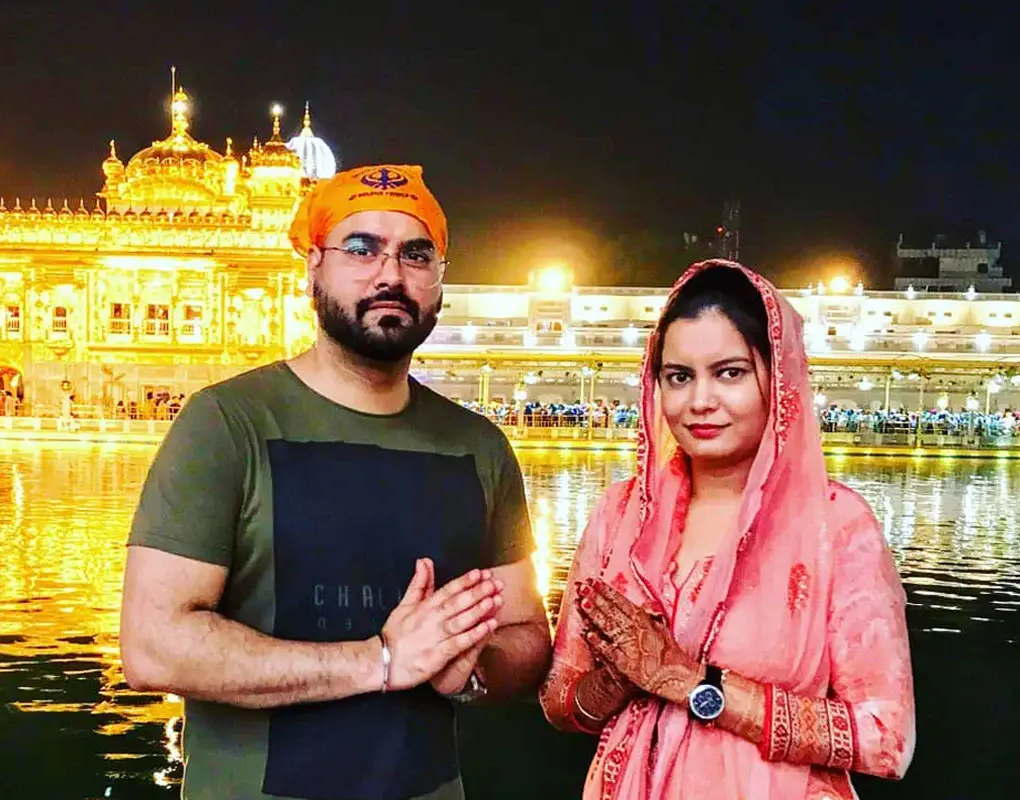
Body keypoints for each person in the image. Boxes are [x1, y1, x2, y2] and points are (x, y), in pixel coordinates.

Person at [120, 164, 551, 800]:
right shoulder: (228, 425)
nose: (389, 274)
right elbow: (153, 646)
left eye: (415, 253)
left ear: (439, 281)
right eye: (361, 248)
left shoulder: (477, 447)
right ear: (313, 268)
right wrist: (377, 661)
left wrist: (473, 670)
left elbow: (527, 634)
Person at [539, 260, 915, 799]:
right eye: (679, 377)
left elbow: (887, 739)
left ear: (778, 379)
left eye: (730, 372)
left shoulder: (836, 525)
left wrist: (692, 682)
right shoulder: (621, 515)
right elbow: (560, 704)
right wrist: (618, 679)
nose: (700, 401)